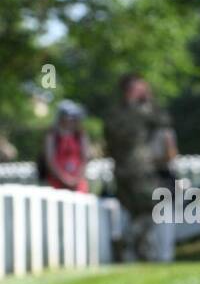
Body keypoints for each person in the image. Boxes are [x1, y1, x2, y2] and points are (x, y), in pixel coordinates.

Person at [104, 74, 177, 261]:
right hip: (139, 171)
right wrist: (148, 100)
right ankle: (128, 244)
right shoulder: (138, 112)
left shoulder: (114, 114)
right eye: (141, 87)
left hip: (124, 171)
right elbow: (164, 120)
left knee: (138, 212)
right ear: (131, 90)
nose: (146, 91)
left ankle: (137, 250)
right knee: (150, 209)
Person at [42, 102, 91, 192]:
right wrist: (64, 179)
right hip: (56, 182)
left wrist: (76, 179)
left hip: (78, 182)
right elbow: (50, 160)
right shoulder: (53, 135)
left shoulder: (80, 135)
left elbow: (85, 158)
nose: (71, 120)